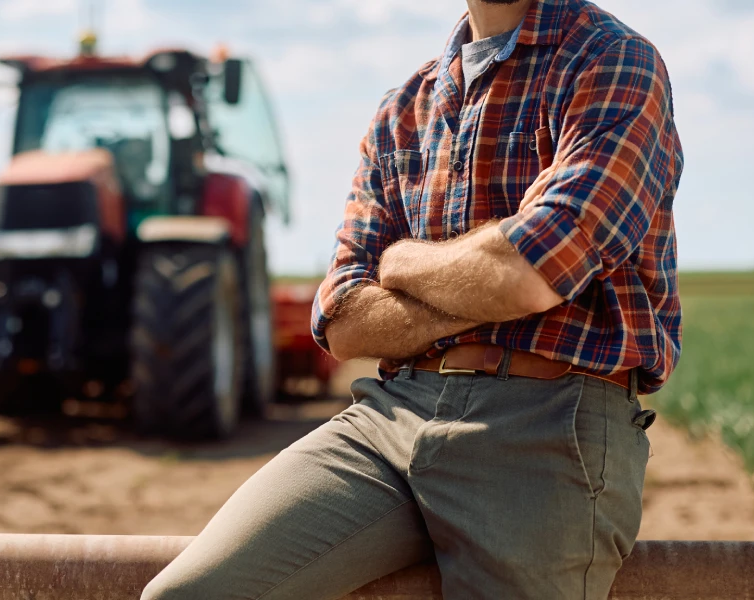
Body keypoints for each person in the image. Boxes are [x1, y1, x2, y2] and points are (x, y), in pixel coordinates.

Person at [142, 0, 683, 597]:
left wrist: (400, 261)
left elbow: (531, 272)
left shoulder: (612, 61)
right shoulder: (404, 107)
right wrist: (482, 280)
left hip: (547, 420)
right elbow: (343, 318)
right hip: (391, 415)